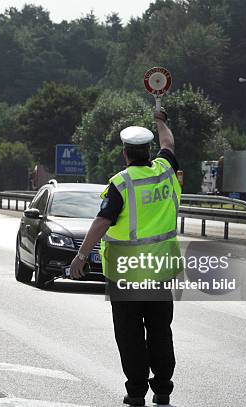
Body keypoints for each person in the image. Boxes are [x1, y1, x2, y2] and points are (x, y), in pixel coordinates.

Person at [69, 110, 181, 406]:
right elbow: (169, 143)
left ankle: (135, 393)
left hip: (126, 275)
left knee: (130, 336)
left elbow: (102, 221)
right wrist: (159, 120)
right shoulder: (165, 170)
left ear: (125, 153)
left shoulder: (122, 183)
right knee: (160, 331)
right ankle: (163, 389)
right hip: (159, 271)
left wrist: (81, 255)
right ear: (149, 151)